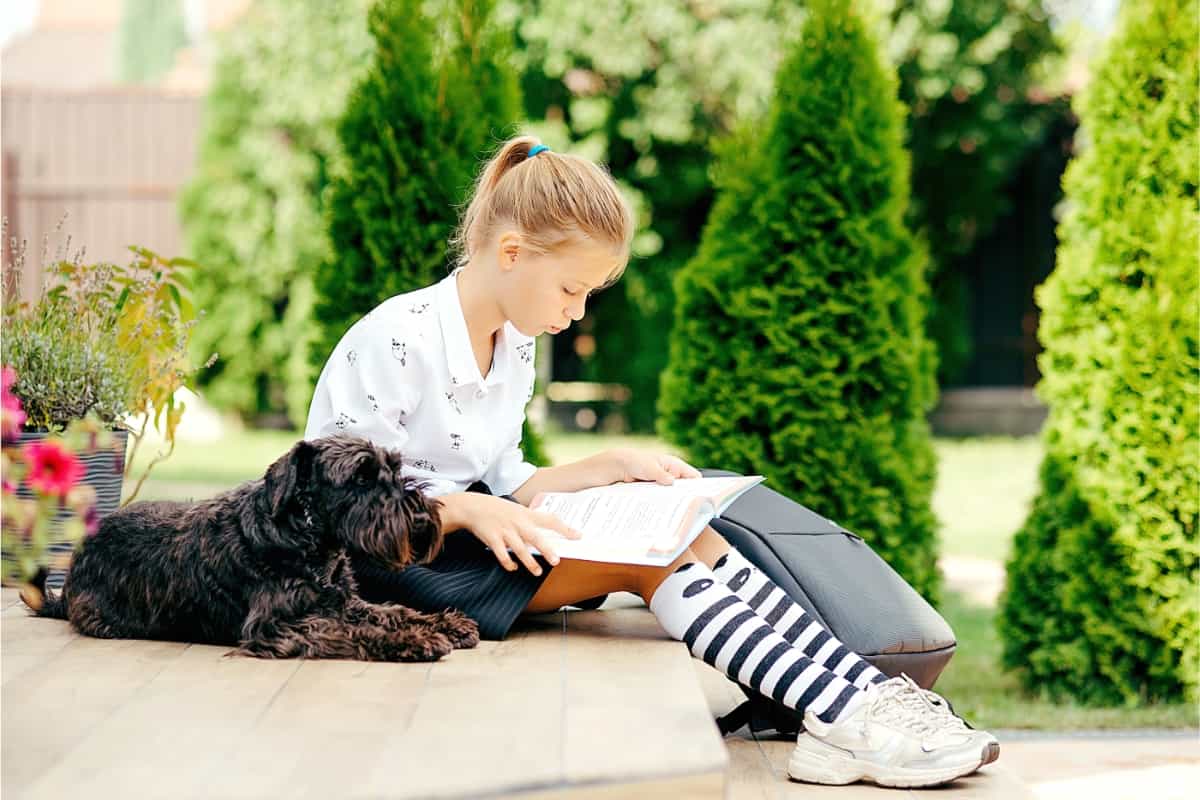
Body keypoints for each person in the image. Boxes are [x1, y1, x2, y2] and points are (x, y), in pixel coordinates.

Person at [304, 135, 997, 788]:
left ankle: (867, 701)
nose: (576, 314)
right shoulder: (398, 339)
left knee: (693, 530)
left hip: (483, 538)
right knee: (653, 555)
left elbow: (511, 479)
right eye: (570, 290)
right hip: (392, 564)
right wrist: (471, 509)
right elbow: (340, 510)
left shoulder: (513, 342)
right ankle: (846, 720)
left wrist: (608, 466)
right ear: (511, 252)